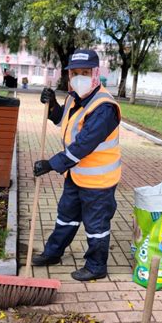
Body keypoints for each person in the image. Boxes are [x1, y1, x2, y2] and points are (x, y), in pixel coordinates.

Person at [32, 49, 121, 281]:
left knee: (96, 225)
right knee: (66, 216)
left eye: (85, 72)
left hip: (99, 183)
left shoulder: (104, 108)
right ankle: (53, 253)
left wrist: (51, 164)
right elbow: (63, 119)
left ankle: (96, 266)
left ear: (95, 74)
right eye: (75, 73)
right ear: (69, 75)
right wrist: (52, 104)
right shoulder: (74, 97)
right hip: (76, 176)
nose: (79, 77)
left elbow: (83, 145)